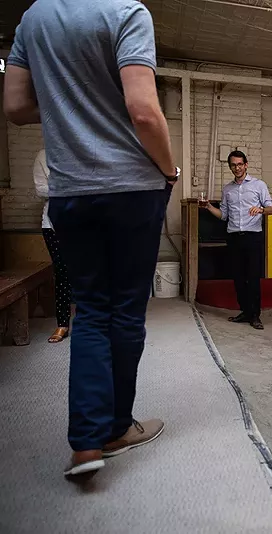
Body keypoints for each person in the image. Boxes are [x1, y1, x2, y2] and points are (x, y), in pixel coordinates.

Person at [5, 0, 179, 478]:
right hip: (132, 188)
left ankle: (85, 443)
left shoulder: (32, 20)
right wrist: (169, 171)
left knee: (91, 311)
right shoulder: (126, 12)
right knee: (125, 311)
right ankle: (116, 428)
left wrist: (69, 109)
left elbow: (15, 106)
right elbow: (143, 111)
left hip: (71, 192)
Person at [203, 151, 272, 330]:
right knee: (238, 277)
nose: (237, 168)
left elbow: (271, 208)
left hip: (253, 237)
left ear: (246, 164)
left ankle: (255, 315)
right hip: (234, 237)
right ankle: (245, 312)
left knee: (253, 277)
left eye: (240, 164)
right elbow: (224, 215)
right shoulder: (227, 189)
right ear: (230, 167)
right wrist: (209, 207)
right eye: (233, 165)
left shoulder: (259, 185)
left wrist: (260, 210)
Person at [33, 148, 73, 343]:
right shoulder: (43, 155)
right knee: (63, 274)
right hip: (53, 224)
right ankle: (63, 324)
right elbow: (40, 189)